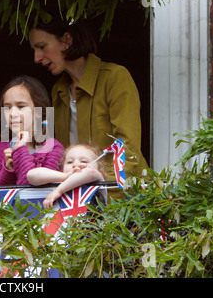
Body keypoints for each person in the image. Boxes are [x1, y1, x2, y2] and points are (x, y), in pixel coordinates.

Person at [29, 19, 148, 198]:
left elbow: (127, 147)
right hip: (78, 199)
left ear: (67, 40)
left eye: (42, 46)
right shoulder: (58, 90)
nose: (36, 58)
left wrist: (109, 200)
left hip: (125, 200)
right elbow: (60, 152)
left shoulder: (115, 78)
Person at [0, 75, 64, 186]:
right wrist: (7, 169)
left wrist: (21, 150)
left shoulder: (53, 148)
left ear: (38, 111)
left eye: (21, 106)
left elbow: (33, 193)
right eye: (7, 108)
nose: (13, 114)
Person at [27, 143, 106, 209]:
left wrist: (59, 191)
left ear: (100, 172)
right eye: (70, 162)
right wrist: (65, 176)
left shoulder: (98, 179)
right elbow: (32, 175)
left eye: (83, 161)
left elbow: (90, 173)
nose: (76, 164)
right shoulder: (62, 179)